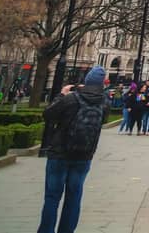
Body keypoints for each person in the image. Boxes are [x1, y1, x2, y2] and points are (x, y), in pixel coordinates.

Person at [39, 66, 107, 233]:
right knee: (74, 197)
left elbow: (48, 115)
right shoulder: (104, 102)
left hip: (59, 154)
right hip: (84, 156)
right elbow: (101, 123)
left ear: (86, 81)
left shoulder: (71, 98)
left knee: (52, 196)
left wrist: (61, 94)